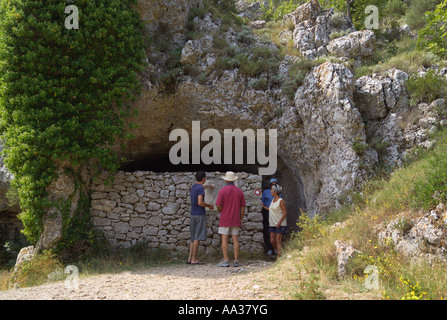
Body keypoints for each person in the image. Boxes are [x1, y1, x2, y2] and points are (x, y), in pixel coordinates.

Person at [215, 171, 246, 267]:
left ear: (226, 180)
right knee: (235, 240)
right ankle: (236, 261)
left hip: (225, 218)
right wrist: (240, 218)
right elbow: (243, 207)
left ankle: (226, 260)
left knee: (224, 239)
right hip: (235, 219)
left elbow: (218, 205)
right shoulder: (239, 191)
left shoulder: (222, 191)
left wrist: (222, 210)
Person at [188, 171, 214, 265]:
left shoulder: (194, 187)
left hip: (193, 214)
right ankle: (194, 259)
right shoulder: (200, 189)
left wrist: (208, 186)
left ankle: (190, 258)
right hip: (199, 214)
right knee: (197, 238)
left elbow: (200, 188)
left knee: (193, 237)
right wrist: (209, 206)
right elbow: (200, 202)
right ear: (204, 178)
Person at [269, 184, 287, 259]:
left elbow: (285, 212)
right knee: (272, 240)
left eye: (272, 190)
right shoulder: (272, 201)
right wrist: (263, 207)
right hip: (272, 223)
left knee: (278, 240)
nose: (270, 191)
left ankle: (279, 256)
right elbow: (272, 210)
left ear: (275, 192)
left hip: (280, 223)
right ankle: (278, 251)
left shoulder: (281, 201)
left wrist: (279, 222)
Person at [261, 178, 278, 256]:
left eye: (275, 184)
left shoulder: (279, 192)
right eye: (272, 184)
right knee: (267, 230)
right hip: (267, 212)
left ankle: (276, 249)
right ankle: (269, 248)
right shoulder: (266, 192)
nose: (274, 185)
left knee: (276, 230)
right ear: (270, 185)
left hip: (276, 213)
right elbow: (263, 202)